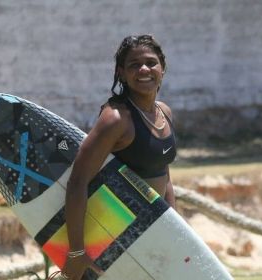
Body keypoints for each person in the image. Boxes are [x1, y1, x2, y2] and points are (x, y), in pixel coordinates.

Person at [62, 34, 177, 280]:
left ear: (163, 69)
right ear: (121, 73)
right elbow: (77, 182)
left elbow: (165, 176)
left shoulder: (164, 113)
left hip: (153, 232)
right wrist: (76, 252)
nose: (144, 69)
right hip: (115, 237)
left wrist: (176, 230)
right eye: (134, 64)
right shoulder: (116, 119)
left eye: (151, 62)